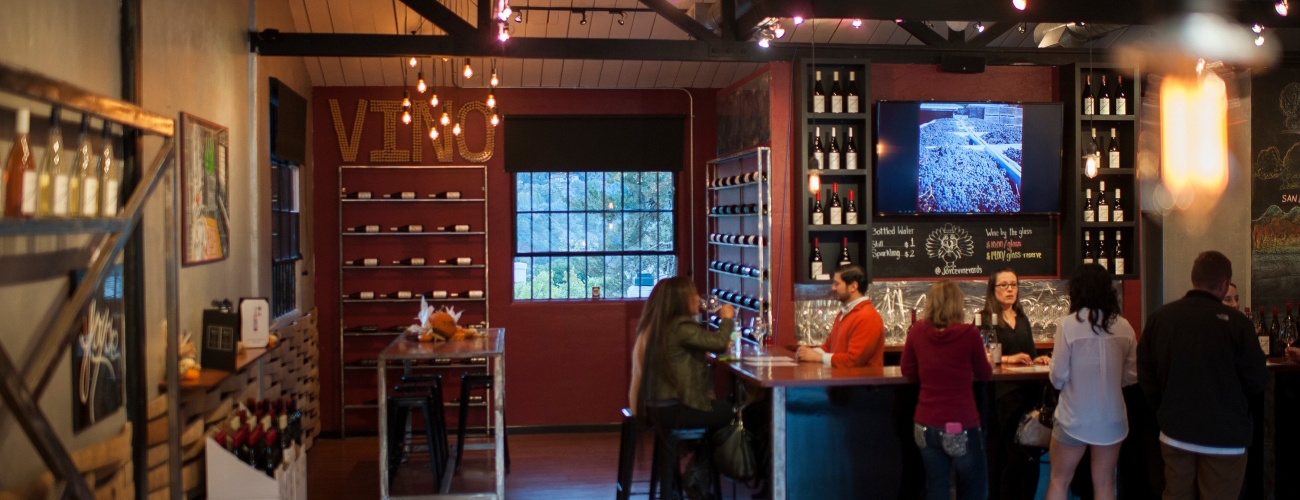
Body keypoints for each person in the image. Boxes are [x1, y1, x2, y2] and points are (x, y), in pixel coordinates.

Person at [1138, 251, 1269, 500]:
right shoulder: (1237, 324)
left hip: (1175, 433)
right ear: (1223, 285)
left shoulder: (1161, 318)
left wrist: (1162, 405)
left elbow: (1145, 371)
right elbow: (1257, 380)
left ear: (1194, 278)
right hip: (1225, 438)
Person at [628, 276, 735, 500]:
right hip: (671, 408)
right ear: (681, 299)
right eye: (693, 294)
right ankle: (697, 472)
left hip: (655, 405)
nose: (698, 298)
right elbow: (718, 344)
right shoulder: (680, 325)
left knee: (712, 413)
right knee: (730, 413)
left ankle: (687, 465)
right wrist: (726, 319)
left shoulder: (660, 326)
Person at [1044, 263, 1138, 500]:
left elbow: (1058, 377)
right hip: (1112, 419)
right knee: (1105, 483)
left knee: (1059, 480)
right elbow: (1132, 376)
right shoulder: (1124, 326)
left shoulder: (1068, 325)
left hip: (1074, 418)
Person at [901, 280, 993, 500]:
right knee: (974, 489)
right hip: (958, 425)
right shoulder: (969, 334)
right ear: (958, 304)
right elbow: (985, 373)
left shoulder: (917, 331)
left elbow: (906, 369)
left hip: (925, 426)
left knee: (937, 489)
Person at [980, 268, 1048, 500]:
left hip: (1029, 394)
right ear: (993, 290)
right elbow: (982, 356)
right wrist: (1011, 359)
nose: (1010, 289)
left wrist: (1038, 360)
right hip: (1004, 395)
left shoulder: (1022, 318)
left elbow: (1030, 354)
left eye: (1014, 284)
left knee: (1031, 455)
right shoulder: (985, 319)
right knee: (1013, 455)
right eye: (1004, 285)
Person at [796, 264, 885, 368]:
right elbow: (829, 347)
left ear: (853, 287)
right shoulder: (845, 312)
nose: (833, 288)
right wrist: (806, 353)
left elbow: (853, 360)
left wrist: (818, 357)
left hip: (860, 378)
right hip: (841, 377)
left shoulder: (867, 317)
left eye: (837, 284)